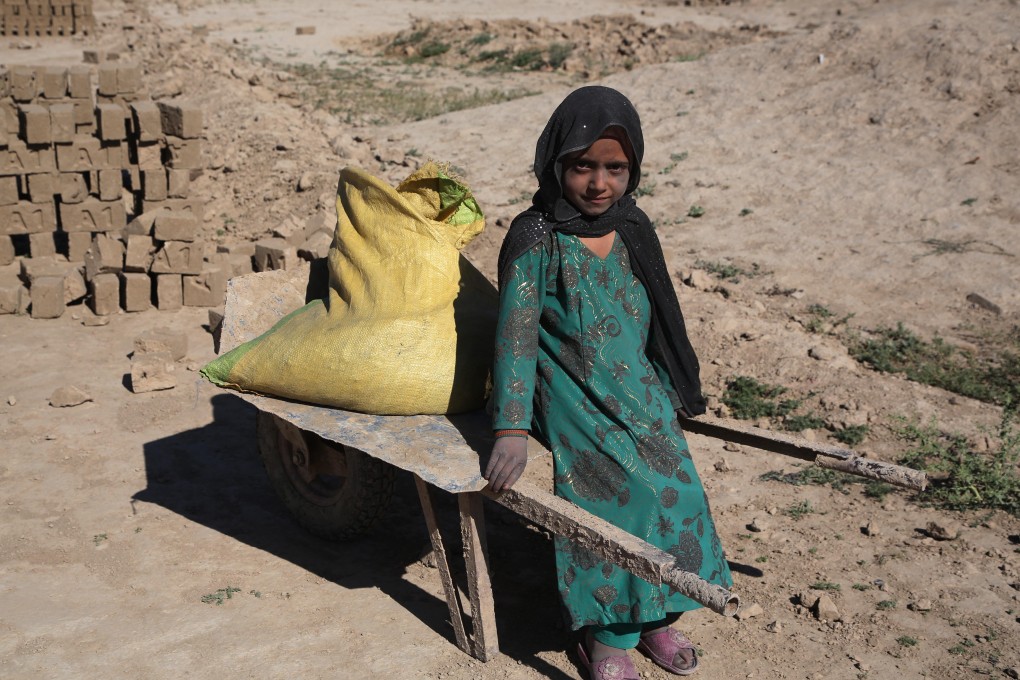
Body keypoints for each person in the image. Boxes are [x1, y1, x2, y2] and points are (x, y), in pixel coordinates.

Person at [483, 85, 732, 680]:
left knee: (680, 490)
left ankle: (656, 616)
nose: (599, 183)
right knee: (621, 499)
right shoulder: (537, 237)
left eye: (615, 168)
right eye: (582, 166)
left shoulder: (632, 227)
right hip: (569, 391)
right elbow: (515, 337)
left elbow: (659, 319)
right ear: (555, 164)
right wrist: (511, 429)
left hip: (635, 389)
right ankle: (606, 639)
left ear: (633, 168)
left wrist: (672, 388)